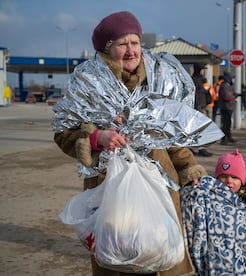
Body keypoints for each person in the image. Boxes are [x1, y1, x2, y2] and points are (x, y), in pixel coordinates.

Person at [52, 11, 208, 276]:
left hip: (160, 184)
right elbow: (63, 132)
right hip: (111, 189)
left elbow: (170, 133)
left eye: (135, 43)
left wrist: (188, 167)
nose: (131, 51)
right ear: (106, 49)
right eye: (122, 44)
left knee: (161, 253)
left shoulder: (160, 81)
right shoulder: (86, 83)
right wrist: (95, 138)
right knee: (120, 257)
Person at [179, 149, 246, 275]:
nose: (229, 181)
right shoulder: (210, 198)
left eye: (235, 177)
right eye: (223, 176)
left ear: (243, 180)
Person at [192, 63, 213, 156]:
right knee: (200, 130)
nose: (204, 71)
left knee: (200, 130)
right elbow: (195, 95)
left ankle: (197, 148)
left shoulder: (202, 80)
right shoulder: (195, 80)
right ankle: (201, 149)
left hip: (202, 106)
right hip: (198, 107)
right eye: (202, 69)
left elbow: (206, 92)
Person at [218, 71, 236, 145]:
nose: (234, 80)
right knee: (225, 124)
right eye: (233, 78)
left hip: (228, 107)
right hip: (226, 107)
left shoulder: (228, 85)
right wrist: (233, 97)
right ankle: (224, 139)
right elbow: (226, 96)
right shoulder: (225, 85)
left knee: (228, 123)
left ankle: (228, 137)